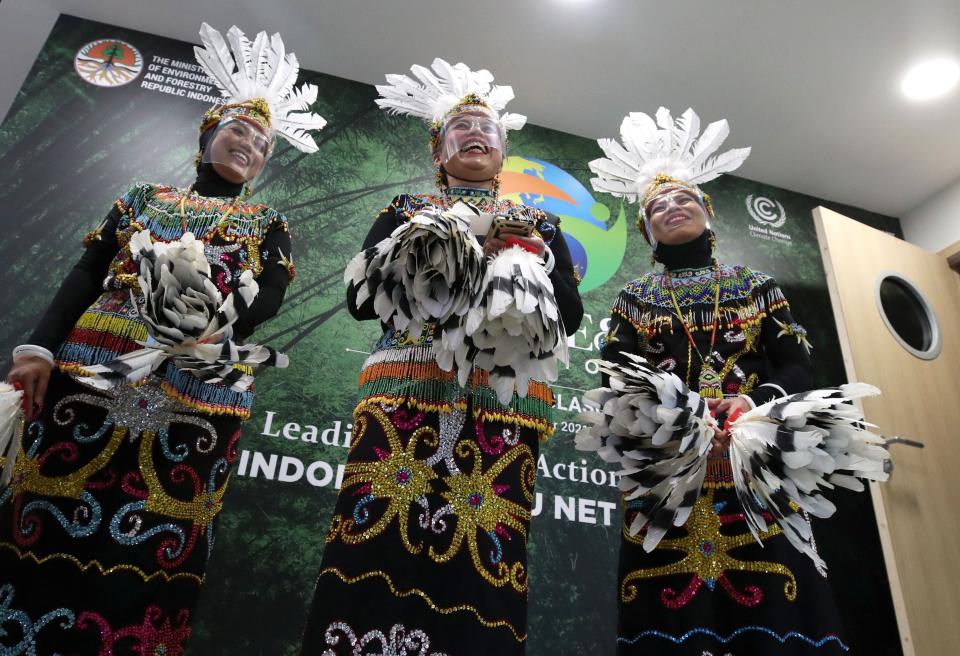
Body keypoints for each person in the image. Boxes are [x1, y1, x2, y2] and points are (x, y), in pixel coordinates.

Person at [0, 23, 325, 654]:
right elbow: (88, 272)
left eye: (262, 144)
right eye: (237, 131)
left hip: (199, 381)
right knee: (49, 505)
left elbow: (274, 294)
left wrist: (212, 328)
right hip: (91, 363)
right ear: (207, 135)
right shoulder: (142, 197)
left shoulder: (268, 222)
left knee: (163, 519)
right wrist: (37, 350)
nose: (248, 146)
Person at [300, 59, 583, 656]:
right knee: (374, 537)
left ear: (504, 151)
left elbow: (571, 319)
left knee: (486, 552)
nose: (476, 134)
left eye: (488, 128)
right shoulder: (404, 212)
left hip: (501, 406)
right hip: (406, 392)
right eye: (461, 128)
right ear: (439, 150)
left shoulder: (541, 223)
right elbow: (357, 300)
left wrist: (532, 264)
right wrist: (428, 251)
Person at [589, 108, 849, 655]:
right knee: (668, 600)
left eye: (683, 198)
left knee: (775, 590)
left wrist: (752, 404)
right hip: (667, 470)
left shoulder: (756, 285)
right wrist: (676, 420)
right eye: (656, 206)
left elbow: (798, 365)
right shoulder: (635, 299)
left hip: (758, 458)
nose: (671, 206)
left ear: (707, 213)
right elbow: (615, 377)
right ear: (646, 230)